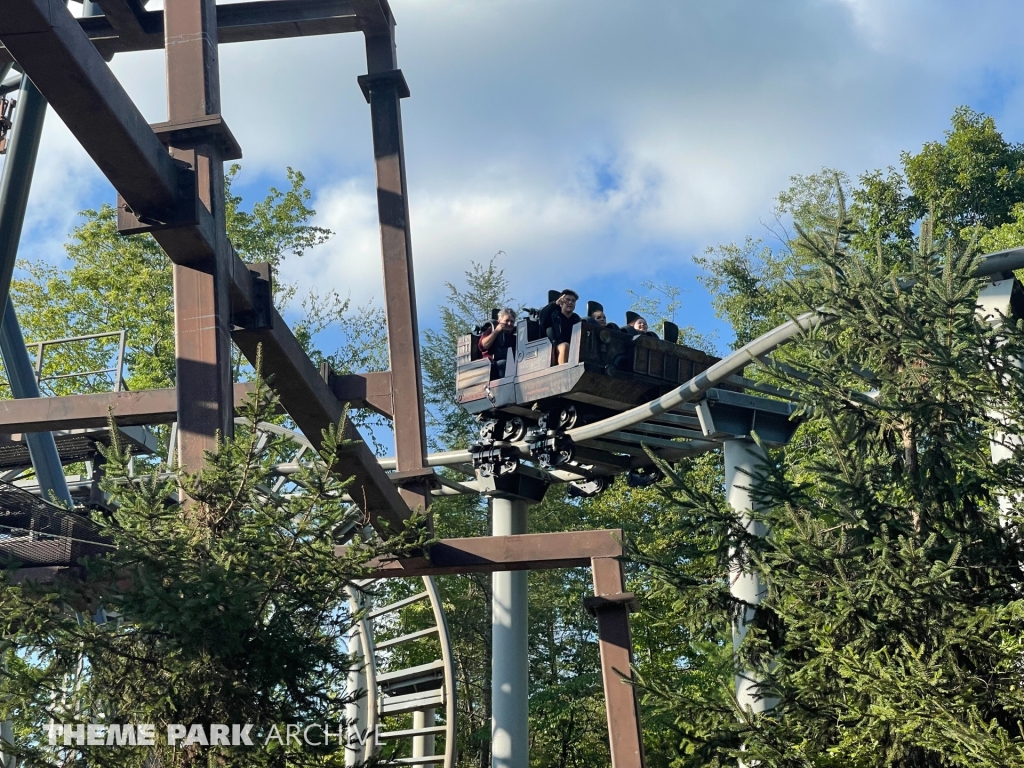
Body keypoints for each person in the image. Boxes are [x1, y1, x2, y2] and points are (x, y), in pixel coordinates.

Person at [538, 289, 580, 365]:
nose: (570, 302)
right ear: (561, 303)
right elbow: (542, 316)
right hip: (554, 348)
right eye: (567, 300)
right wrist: (555, 304)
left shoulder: (576, 319)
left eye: (573, 301)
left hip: (573, 348)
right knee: (565, 346)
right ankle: (563, 371)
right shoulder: (554, 317)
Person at [479, 308, 517, 378]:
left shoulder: (514, 338)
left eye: (512, 321)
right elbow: (483, 346)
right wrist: (497, 331)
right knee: (503, 364)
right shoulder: (491, 331)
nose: (509, 323)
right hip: (491, 366)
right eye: (507, 320)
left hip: (509, 365)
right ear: (499, 321)